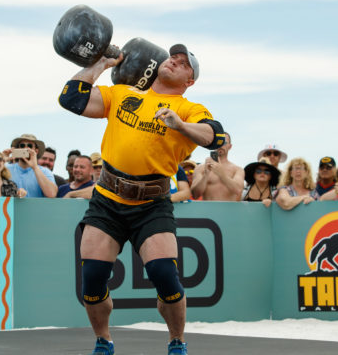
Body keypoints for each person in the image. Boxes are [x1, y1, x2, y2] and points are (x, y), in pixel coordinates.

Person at [58, 43, 224, 355]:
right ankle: (104, 341)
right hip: (107, 200)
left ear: (190, 81)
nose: (174, 60)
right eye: (172, 56)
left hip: (152, 205)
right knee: (92, 281)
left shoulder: (189, 108)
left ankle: (177, 341)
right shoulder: (123, 93)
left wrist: (180, 124)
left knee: (165, 277)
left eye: (183, 62)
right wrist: (102, 65)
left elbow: (214, 135)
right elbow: (71, 98)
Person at [190, 133, 245, 201]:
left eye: (224, 142)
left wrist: (222, 175)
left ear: (230, 146)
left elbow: (238, 190)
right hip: (208, 210)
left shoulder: (237, 169)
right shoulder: (200, 168)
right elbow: (195, 195)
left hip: (229, 211)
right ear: (213, 144)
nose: (220, 145)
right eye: (218, 142)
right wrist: (206, 175)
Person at [5, 134, 57, 198]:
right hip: (11, 208)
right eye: (22, 145)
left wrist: (35, 167)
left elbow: (52, 194)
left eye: (29, 146)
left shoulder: (45, 171)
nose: (25, 148)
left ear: (36, 151)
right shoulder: (6, 169)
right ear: (17, 149)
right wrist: (1, 161)